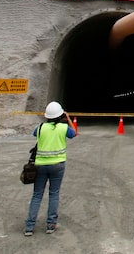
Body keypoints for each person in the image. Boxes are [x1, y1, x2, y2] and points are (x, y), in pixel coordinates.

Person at [24, 101, 77, 236]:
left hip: (40, 165)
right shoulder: (63, 128)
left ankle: (29, 227)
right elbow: (75, 133)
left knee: (37, 195)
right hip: (58, 165)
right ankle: (51, 225)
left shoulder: (40, 127)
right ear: (60, 115)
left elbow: (35, 134)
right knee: (54, 194)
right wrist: (69, 118)